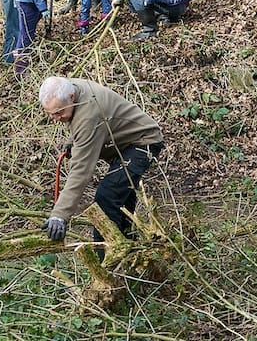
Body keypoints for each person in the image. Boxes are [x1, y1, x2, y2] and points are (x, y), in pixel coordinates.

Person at [39, 76, 164, 252]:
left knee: (106, 199)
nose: (55, 118)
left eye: (59, 113)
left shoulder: (89, 116)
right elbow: (78, 124)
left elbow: (80, 172)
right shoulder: (72, 89)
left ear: (71, 97)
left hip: (143, 143)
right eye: (50, 113)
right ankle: (131, 251)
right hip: (123, 146)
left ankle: (106, 258)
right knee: (121, 204)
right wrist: (72, 140)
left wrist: (60, 215)